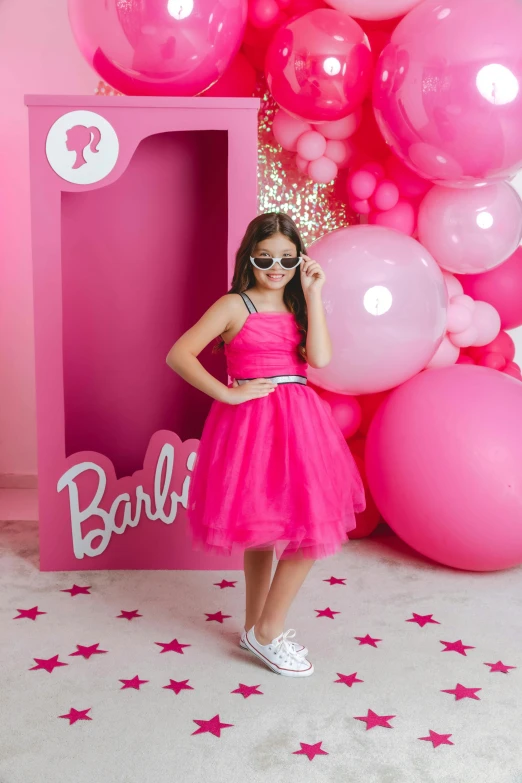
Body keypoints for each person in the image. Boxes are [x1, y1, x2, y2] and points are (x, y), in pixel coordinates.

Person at [166, 212, 365, 678]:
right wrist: (229, 392)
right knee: (259, 526)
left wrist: (314, 293)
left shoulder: (300, 304)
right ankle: (266, 631)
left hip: (299, 421)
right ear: (249, 257)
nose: (275, 266)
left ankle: (259, 627)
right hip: (251, 422)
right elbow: (179, 354)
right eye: (264, 257)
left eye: (286, 258)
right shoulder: (235, 304)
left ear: (300, 259)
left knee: (306, 525)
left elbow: (319, 358)